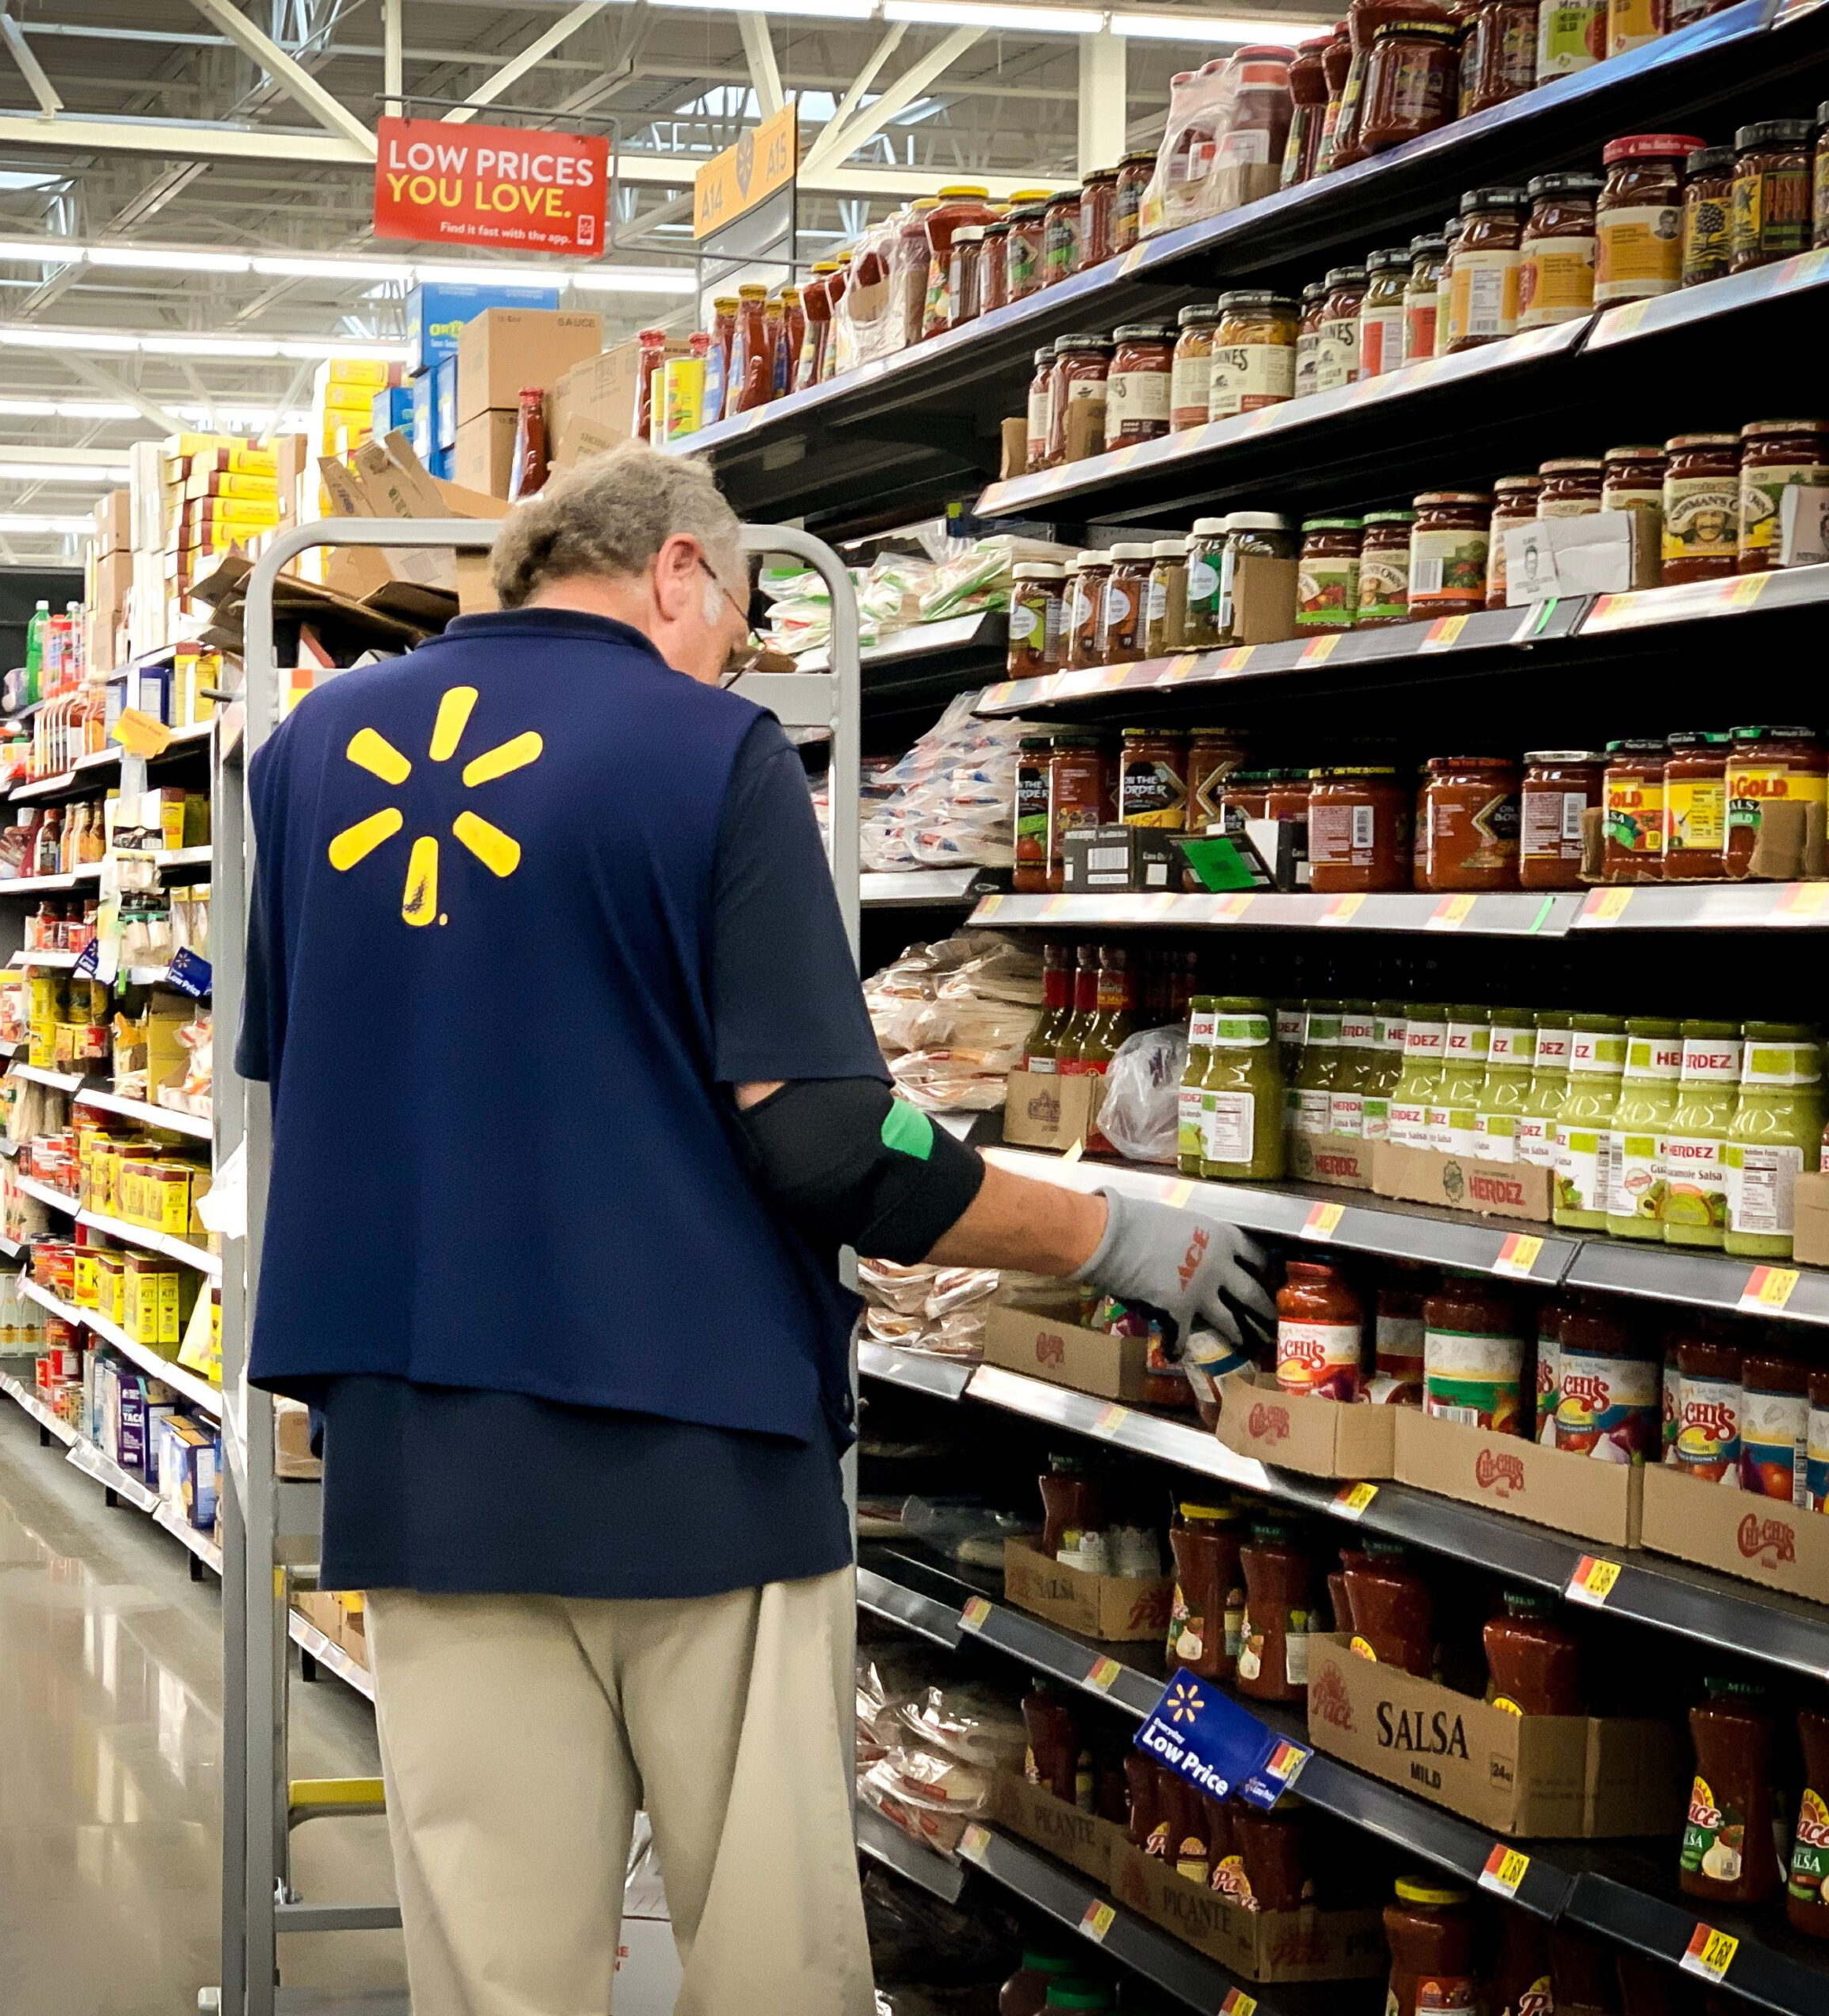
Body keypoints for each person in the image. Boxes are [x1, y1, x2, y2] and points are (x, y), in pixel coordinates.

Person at [236, 440, 1274, 2016]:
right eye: (740, 623)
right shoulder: (707, 752)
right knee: (763, 1957)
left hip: (428, 1464)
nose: (736, 659)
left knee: (492, 1967)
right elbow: (827, 1135)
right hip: (696, 1464)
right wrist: (1111, 1237)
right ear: (678, 571)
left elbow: (314, 1070)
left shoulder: (311, 756)